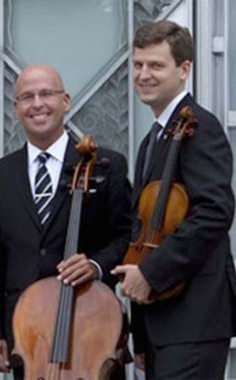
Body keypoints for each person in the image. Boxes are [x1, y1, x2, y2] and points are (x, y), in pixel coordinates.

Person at [0, 64, 132, 374]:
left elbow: (127, 237)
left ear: (66, 101)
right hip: (29, 335)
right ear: (16, 108)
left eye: (46, 94)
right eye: (27, 97)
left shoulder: (106, 165)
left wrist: (95, 265)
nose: (37, 104)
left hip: (91, 328)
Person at [112, 20, 236, 379]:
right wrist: (141, 334)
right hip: (162, 325)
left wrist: (150, 273)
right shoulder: (153, 138)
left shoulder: (201, 128)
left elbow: (215, 213)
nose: (143, 75)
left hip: (192, 319)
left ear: (184, 70)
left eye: (156, 65)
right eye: (138, 65)